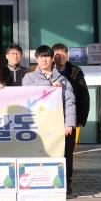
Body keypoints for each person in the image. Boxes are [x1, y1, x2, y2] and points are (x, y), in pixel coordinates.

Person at [23, 45, 77, 192]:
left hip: (58, 125)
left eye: (47, 57)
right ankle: (39, 183)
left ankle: (64, 184)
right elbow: (29, 95)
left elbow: (70, 102)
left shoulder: (63, 79)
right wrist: (49, 85)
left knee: (63, 155)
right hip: (38, 126)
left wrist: (69, 123)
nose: (45, 60)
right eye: (42, 57)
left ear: (52, 59)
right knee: (40, 154)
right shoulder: (29, 78)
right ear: (37, 59)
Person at [53, 42, 91, 192]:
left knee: (67, 152)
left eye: (63, 54)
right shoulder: (48, 71)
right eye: (57, 54)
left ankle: (66, 183)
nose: (60, 57)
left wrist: (81, 118)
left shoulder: (75, 72)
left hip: (69, 119)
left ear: (67, 56)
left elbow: (84, 96)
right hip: (50, 118)